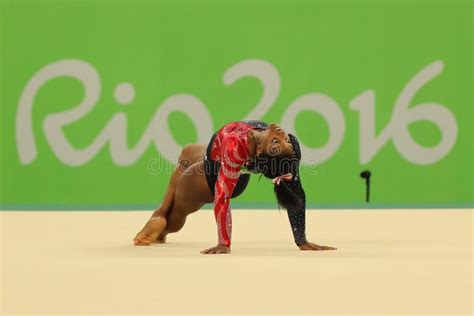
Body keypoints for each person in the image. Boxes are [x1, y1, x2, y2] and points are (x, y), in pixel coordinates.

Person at [133, 120, 336, 254]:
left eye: (276, 142)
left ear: (259, 150)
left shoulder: (235, 148)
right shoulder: (290, 142)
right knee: (187, 152)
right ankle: (159, 212)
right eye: (284, 142)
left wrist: (224, 243)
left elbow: (222, 195)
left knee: (177, 212)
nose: (282, 136)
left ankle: (162, 225)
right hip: (217, 155)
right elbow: (296, 190)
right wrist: (301, 240)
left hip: (211, 177)